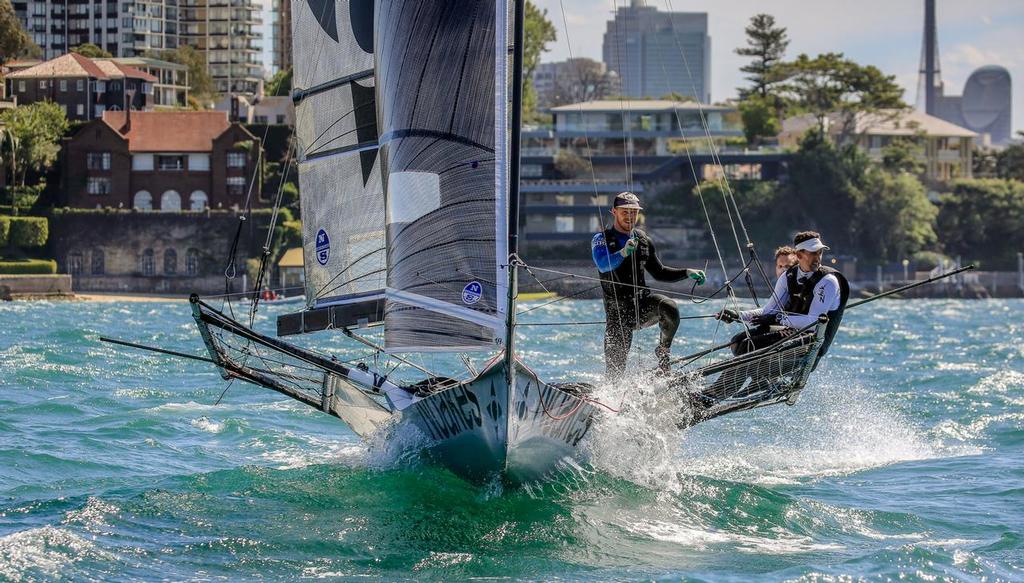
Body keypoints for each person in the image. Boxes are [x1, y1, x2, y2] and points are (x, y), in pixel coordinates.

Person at [592, 192, 706, 378]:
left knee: (669, 307)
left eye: (634, 212)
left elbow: (659, 272)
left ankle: (663, 352)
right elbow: (603, 265)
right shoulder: (602, 239)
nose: (630, 216)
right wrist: (622, 252)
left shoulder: (643, 240)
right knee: (614, 375)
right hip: (617, 315)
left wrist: (687, 272)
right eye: (625, 212)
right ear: (614, 211)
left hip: (642, 306)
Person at [717, 231, 849, 361]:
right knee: (736, 342)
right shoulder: (788, 277)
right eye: (813, 253)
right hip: (791, 332)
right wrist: (737, 315)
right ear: (799, 255)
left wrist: (779, 319)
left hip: (812, 342)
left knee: (747, 346)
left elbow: (813, 323)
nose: (818, 258)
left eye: (820, 252)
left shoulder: (828, 281)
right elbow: (768, 312)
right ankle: (760, 380)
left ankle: (758, 379)